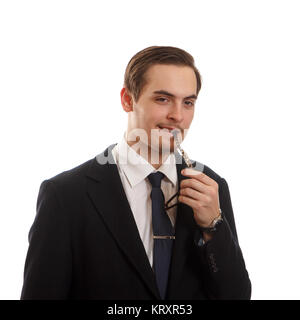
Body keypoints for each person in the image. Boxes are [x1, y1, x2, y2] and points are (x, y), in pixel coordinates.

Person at [21, 46, 251, 300]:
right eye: (162, 99)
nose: (177, 116)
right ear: (127, 99)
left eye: (188, 102)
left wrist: (213, 226)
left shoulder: (211, 186)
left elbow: (236, 296)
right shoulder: (65, 196)